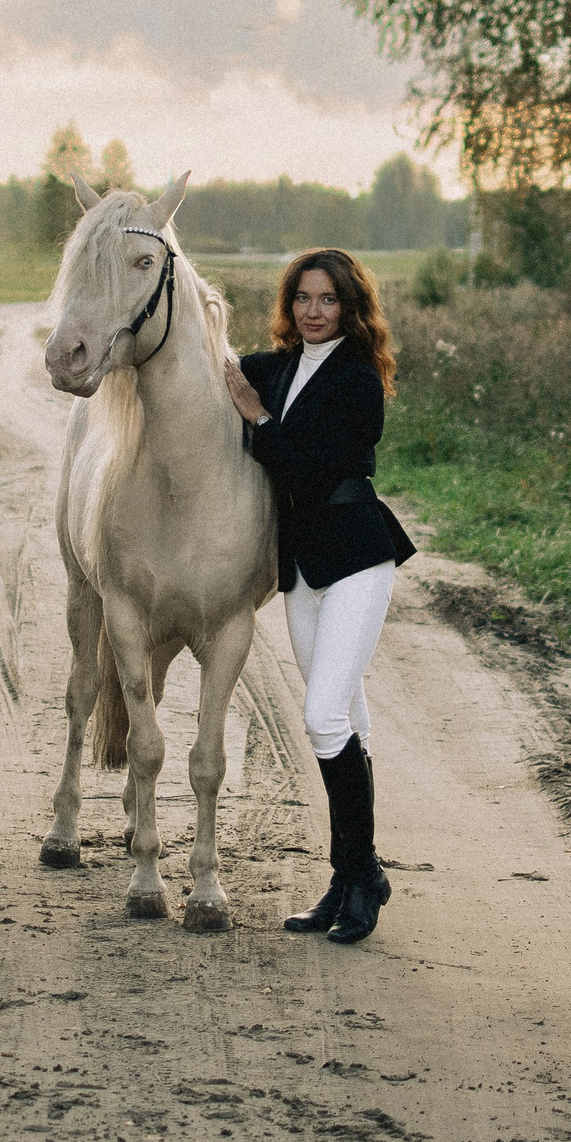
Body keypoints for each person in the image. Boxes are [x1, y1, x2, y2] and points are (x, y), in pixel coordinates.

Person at [222, 248, 416, 944]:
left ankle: (359, 876)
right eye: (302, 298)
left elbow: (307, 468)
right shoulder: (274, 367)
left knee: (323, 715)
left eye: (328, 300)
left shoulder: (360, 381)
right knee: (349, 721)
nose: (313, 311)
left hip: (358, 556)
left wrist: (258, 419)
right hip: (302, 567)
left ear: (351, 307)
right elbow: (212, 365)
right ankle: (352, 879)